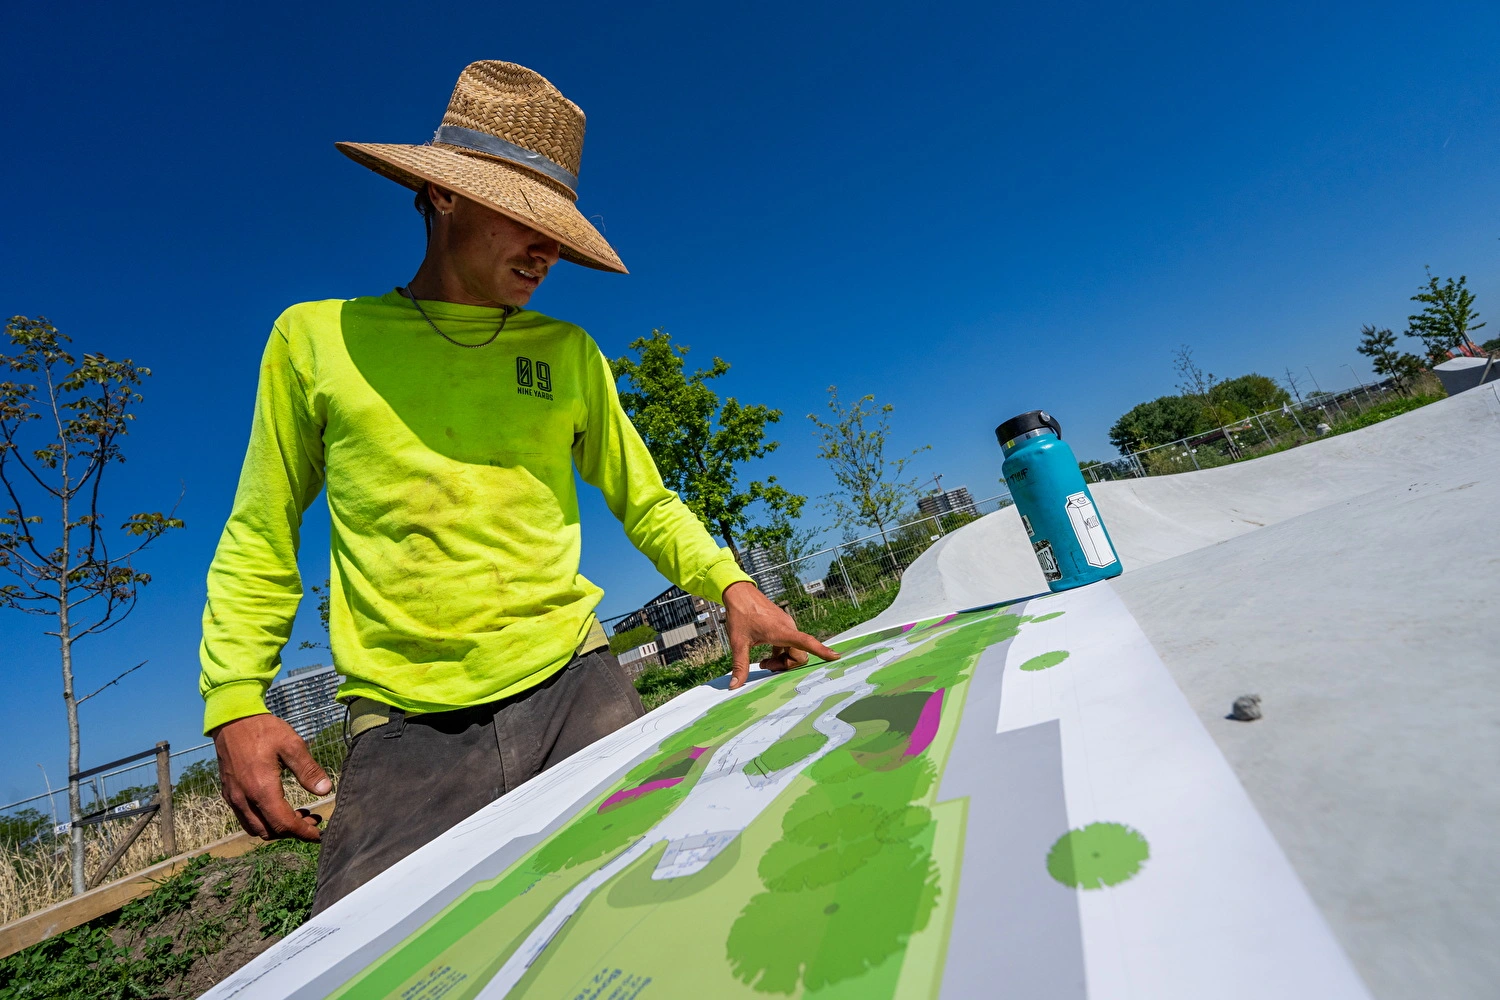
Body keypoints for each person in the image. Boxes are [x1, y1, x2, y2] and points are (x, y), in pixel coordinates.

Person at [199, 60, 837, 912]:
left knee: (668, 906)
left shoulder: (569, 353)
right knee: (371, 956)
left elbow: (644, 499)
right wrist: (236, 698)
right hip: (404, 731)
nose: (546, 250)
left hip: (580, 686)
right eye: (523, 218)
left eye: (558, 231)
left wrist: (731, 583)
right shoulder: (316, 340)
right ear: (442, 196)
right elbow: (262, 529)